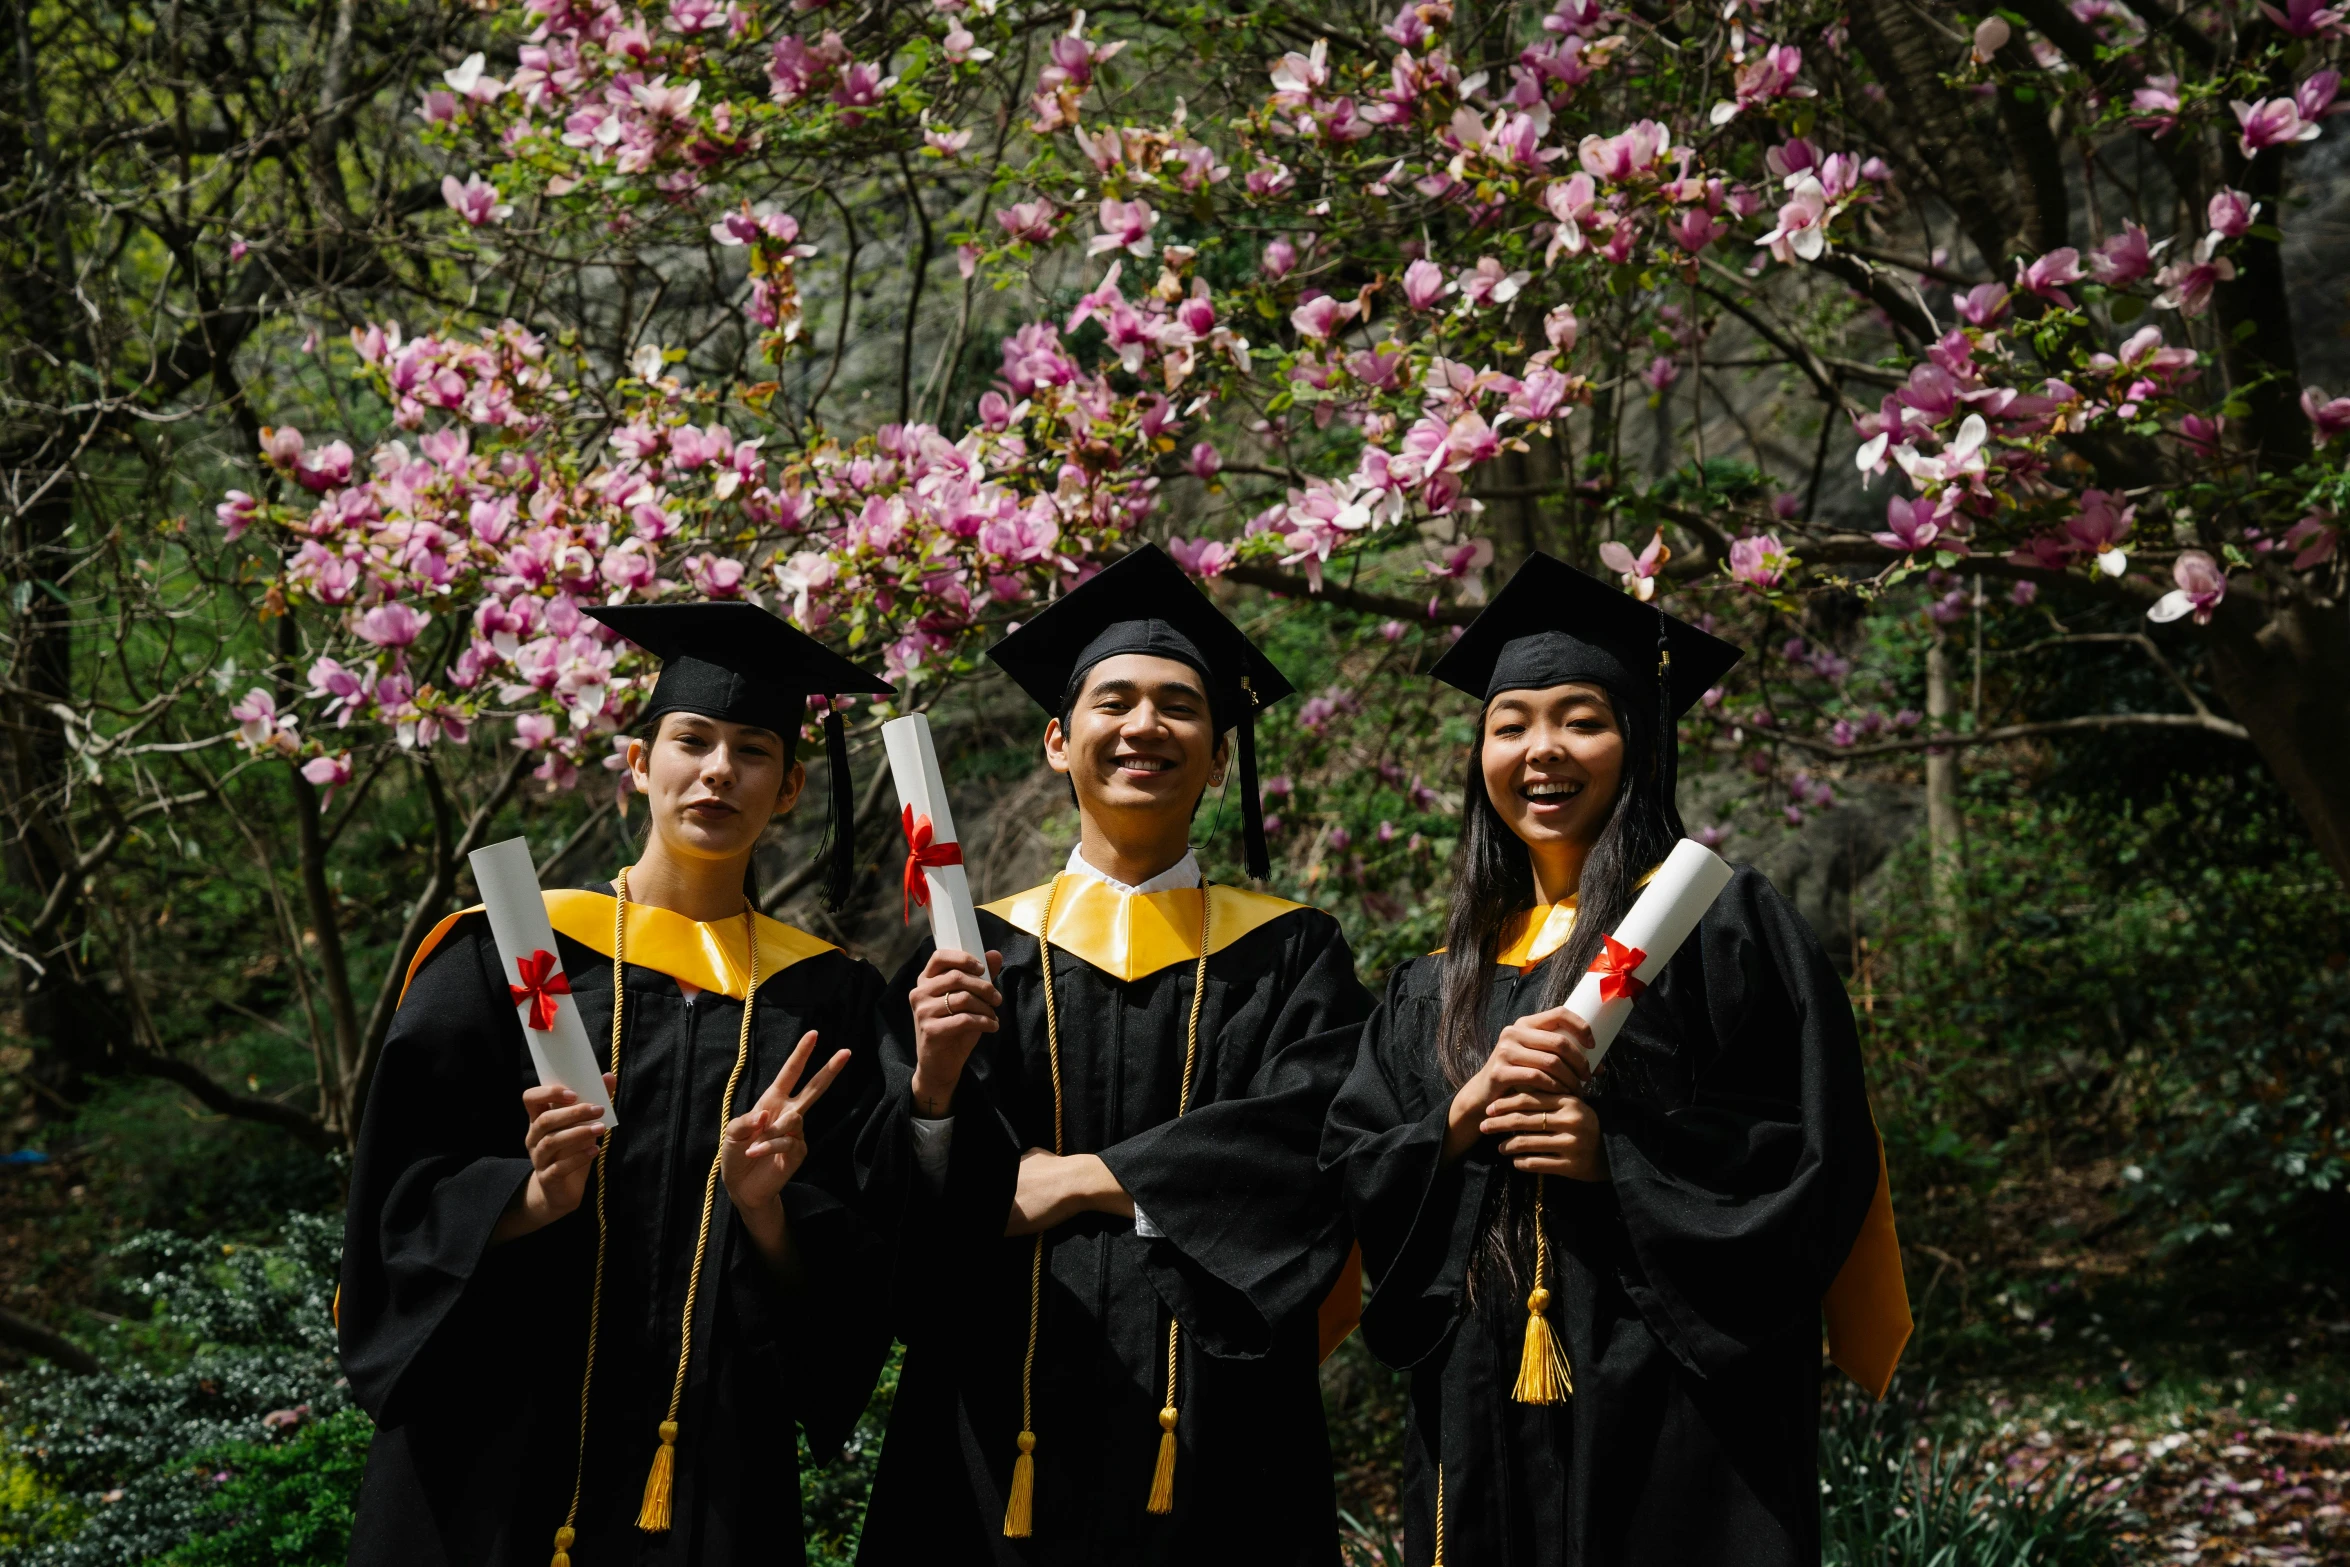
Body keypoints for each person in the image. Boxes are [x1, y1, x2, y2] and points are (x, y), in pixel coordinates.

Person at [1322, 553, 1911, 1567]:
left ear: (1640, 739)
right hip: (1477, 1407)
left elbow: (1815, 1154)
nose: (1541, 748)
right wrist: (1456, 1118)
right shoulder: (1434, 982)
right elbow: (1349, 1179)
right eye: (1511, 724)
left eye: (1581, 717)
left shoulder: (1721, 928)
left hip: (1677, 1404)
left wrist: (1620, 1155)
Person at [338, 600, 898, 1567]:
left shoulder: (830, 999)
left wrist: (766, 1211)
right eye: (691, 739)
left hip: (704, 1464)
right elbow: (394, 1194)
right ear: (639, 764)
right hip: (488, 1454)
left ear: (794, 786)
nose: (719, 769)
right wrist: (524, 1196)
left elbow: (859, 1266)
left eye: (754, 749)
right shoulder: (512, 956)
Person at [855, 544, 1372, 1566]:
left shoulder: (1290, 951)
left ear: (1220, 756)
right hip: (988, 1427)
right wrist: (933, 1087)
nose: (1145, 726)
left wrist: (1089, 1179)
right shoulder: (969, 951)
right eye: (1115, 701)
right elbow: (899, 1213)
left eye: (1180, 705)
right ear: (1058, 739)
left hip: (1219, 1427)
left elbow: (1310, 1146)